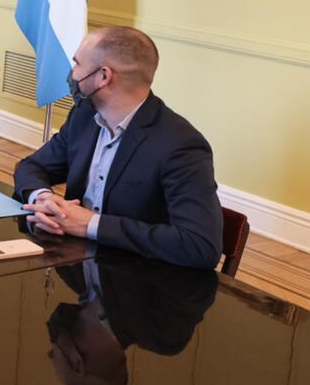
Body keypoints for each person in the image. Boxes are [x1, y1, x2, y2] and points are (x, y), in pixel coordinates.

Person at [15, 26, 223, 269]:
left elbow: (200, 245)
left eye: (77, 64)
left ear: (104, 76)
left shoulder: (180, 145)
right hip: (77, 267)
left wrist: (91, 224)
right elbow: (32, 166)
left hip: (139, 284)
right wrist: (44, 198)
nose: (72, 73)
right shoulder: (84, 116)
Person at [47, 251, 217, 385]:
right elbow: (200, 286)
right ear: (77, 363)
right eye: (52, 353)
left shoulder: (74, 277)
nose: (52, 341)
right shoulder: (161, 332)